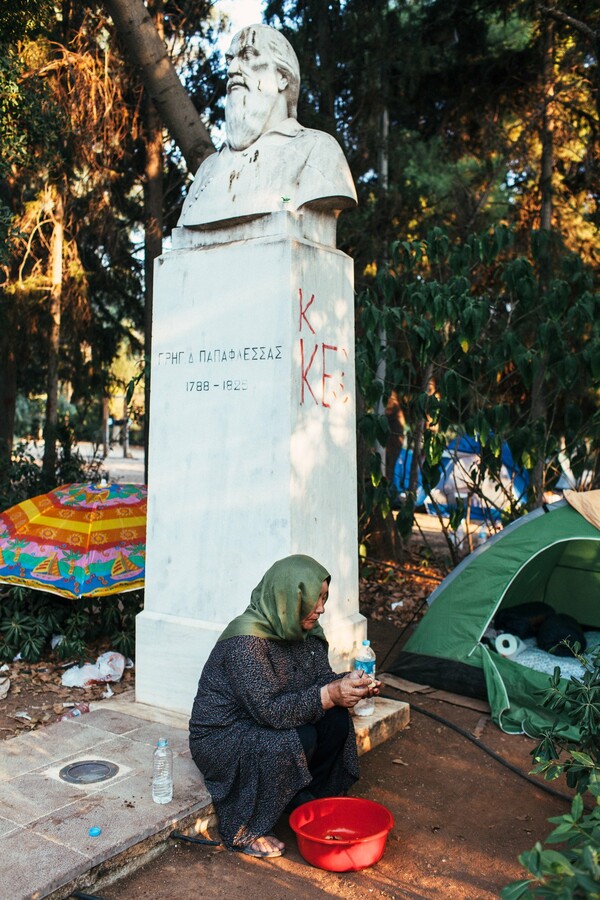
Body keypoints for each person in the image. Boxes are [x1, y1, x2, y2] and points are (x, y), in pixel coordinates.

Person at [188, 554, 380, 858]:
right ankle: (249, 827)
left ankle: (303, 799)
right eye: (314, 599)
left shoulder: (305, 632)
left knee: (335, 721)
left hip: (268, 719)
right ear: (290, 597)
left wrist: (351, 683)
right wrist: (330, 693)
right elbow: (270, 710)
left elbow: (321, 680)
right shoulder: (245, 642)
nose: (321, 608)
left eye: (324, 598)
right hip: (223, 736)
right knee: (297, 738)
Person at [178, 24, 357, 231]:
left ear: (283, 77)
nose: (231, 69)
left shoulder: (318, 150)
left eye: (247, 56)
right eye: (230, 60)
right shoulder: (207, 169)